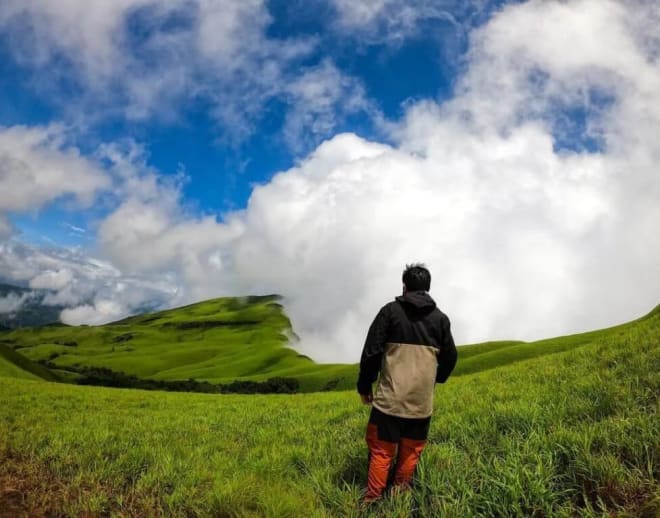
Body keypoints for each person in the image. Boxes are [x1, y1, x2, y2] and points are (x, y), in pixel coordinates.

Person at [357, 263, 458, 503]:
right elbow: (451, 357)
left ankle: (371, 500)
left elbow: (371, 352)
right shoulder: (441, 319)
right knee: (411, 450)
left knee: (382, 450)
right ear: (428, 288)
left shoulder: (389, 312)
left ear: (404, 287)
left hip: (389, 401)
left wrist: (364, 386)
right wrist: (437, 379)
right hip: (421, 403)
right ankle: (399, 494)